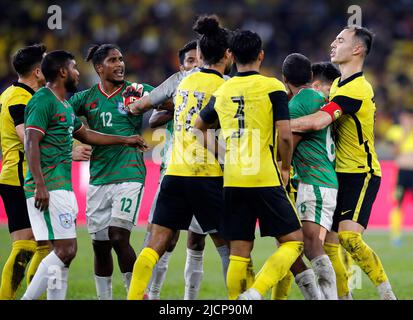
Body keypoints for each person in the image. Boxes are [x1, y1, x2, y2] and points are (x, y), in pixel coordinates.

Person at [21, 50, 147, 300]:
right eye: (75, 67)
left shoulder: (65, 105)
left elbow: (87, 135)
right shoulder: (44, 100)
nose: (79, 72)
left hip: (68, 183)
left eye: (122, 59)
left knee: (66, 253)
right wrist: (40, 184)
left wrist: (126, 139)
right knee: (67, 250)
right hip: (51, 184)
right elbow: (31, 141)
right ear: (63, 72)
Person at [127, 14, 232, 300]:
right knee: (229, 248)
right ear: (227, 54)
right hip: (207, 174)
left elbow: (142, 109)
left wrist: (128, 106)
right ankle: (241, 301)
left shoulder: (182, 82)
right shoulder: (227, 87)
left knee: (155, 244)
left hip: (174, 172)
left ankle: (135, 297)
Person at [196, 30, 304, 300]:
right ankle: (256, 292)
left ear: (230, 56)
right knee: (294, 242)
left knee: (239, 253)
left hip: (233, 180)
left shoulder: (222, 91)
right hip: (264, 177)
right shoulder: (273, 88)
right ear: (261, 55)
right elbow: (286, 135)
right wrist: (285, 167)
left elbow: (198, 128)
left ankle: (237, 304)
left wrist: (224, 154)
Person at [290, 26, 396, 300]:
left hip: (361, 173)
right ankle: (344, 296)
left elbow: (316, 122)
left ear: (357, 49)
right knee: (331, 246)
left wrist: (278, 126)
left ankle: (387, 294)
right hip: (338, 173)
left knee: (349, 239)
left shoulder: (358, 89)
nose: (333, 44)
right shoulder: (337, 85)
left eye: (340, 40)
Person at [0, 44, 90, 299]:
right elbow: (26, 136)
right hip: (21, 173)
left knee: (45, 247)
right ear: (38, 71)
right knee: (27, 246)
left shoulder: (16, 94)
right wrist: (69, 151)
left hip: (27, 173)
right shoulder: (21, 97)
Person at [68, 44, 153, 300]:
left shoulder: (136, 91)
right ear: (99, 67)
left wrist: (153, 108)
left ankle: (136, 294)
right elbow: (57, 117)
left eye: (121, 59)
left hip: (130, 173)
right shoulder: (85, 98)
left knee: (118, 236)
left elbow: (171, 103)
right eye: (113, 60)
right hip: (99, 178)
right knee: (100, 246)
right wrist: (72, 147)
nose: (120, 64)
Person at [282, 53, 338, 299]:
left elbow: (288, 145)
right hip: (326, 178)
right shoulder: (321, 98)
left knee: (311, 244)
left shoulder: (296, 105)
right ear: (311, 76)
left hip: (314, 181)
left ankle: (328, 296)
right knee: (306, 243)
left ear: (285, 79)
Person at [386, 109, 413, 246]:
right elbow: (395, 152)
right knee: (398, 204)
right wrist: (405, 135)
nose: (406, 121)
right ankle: (395, 235)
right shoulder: (396, 131)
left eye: (408, 118)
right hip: (402, 173)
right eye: (403, 118)